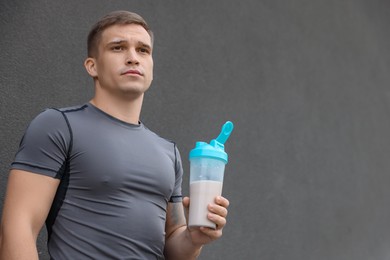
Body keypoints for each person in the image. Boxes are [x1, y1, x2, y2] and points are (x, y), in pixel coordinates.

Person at [0, 10, 229, 259]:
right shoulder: (57, 126)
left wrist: (194, 238)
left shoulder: (168, 152)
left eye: (143, 50)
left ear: (152, 67)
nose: (133, 58)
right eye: (118, 48)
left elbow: (174, 244)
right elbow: (17, 228)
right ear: (92, 66)